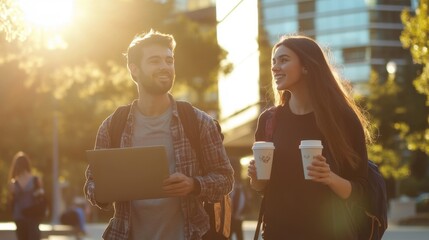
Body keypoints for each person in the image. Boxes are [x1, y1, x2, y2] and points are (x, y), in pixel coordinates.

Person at [84, 29, 234, 240]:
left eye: (169, 60)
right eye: (155, 61)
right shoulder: (112, 126)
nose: (165, 66)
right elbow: (92, 183)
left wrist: (194, 184)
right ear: (134, 70)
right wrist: (105, 191)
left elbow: (225, 178)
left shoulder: (198, 122)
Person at [247, 35, 372, 239]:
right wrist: (256, 178)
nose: (275, 67)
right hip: (277, 233)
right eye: (273, 61)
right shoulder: (269, 120)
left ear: (306, 66)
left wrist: (329, 177)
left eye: (284, 60)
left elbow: (362, 191)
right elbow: (262, 188)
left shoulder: (342, 119)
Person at [8, 151, 44, 240]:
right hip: (33, 215)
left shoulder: (13, 184)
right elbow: (41, 197)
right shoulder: (35, 180)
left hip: (18, 216)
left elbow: (11, 201)